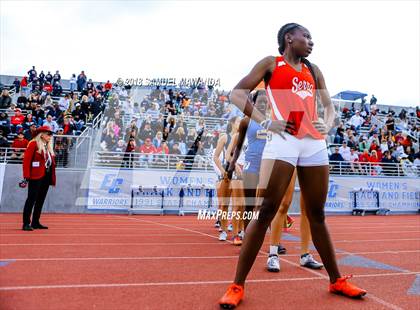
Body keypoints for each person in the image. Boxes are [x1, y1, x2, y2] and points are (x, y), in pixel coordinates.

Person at [219, 23, 366, 308]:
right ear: (290, 38)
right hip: (284, 139)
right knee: (266, 212)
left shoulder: (313, 69)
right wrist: (266, 120)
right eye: (306, 37)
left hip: (313, 143)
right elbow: (236, 94)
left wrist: (329, 120)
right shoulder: (270, 64)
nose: (311, 42)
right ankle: (237, 285)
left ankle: (336, 280)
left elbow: (329, 103)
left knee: (317, 214)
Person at [228, 90, 323, 273]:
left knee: (292, 206)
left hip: (288, 161)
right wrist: (233, 164)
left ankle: (291, 249)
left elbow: (300, 135)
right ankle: (257, 244)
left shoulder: (290, 115)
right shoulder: (253, 120)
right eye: (261, 101)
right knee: (261, 206)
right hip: (261, 163)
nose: (264, 104)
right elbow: (240, 144)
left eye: (266, 101)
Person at [212, 116, 244, 244]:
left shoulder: (245, 138)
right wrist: (222, 170)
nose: (240, 124)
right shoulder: (225, 137)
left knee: (240, 205)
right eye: (238, 122)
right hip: (227, 172)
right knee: (224, 204)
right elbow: (216, 156)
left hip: (240, 174)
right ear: (232, 123)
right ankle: (224, 230)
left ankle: (239, 230)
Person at [22, 126, 56, 231]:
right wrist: (26, 176)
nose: (50, 136)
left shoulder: (48, 146)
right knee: (31, 199)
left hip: (46, 176)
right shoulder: (33, 144)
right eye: (48, 134)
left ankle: (36, 222)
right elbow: (26, 161)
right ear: (41, 134)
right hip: (35, 176)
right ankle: (26, 223)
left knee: (40, 200)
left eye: (51, 134)